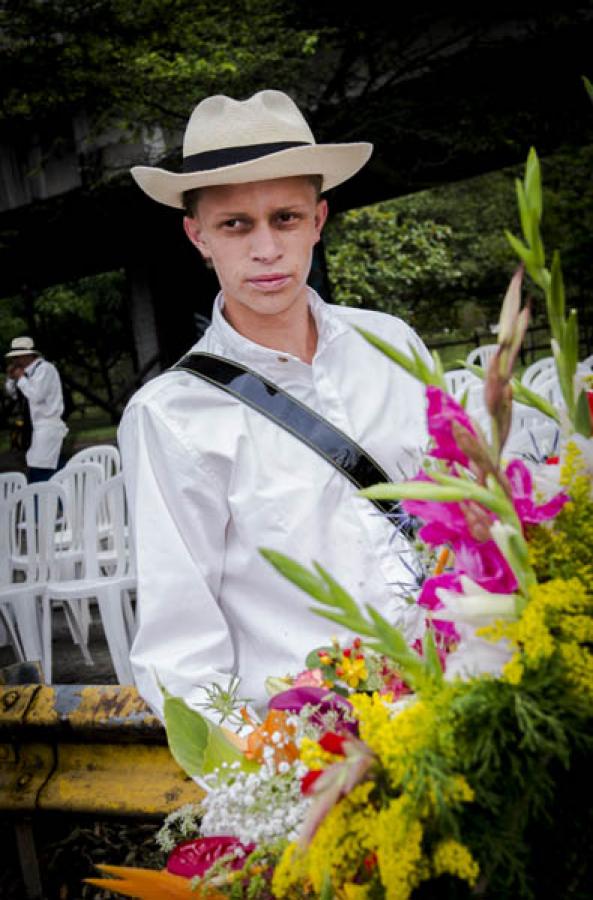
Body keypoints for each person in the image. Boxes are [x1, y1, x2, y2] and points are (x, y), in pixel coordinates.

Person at [119, 89, 431, 722]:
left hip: (461, 705)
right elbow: (181, 654)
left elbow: (468, 514)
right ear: (197, 235)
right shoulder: (169, 416)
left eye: (285, 218)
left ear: (318, 220)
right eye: (235, 224)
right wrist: (272, 781)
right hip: (318, 750)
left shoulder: (392, 343)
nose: (265, 249)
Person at [4, 336, 68, 482]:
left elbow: (36, 395)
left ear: (27, 355)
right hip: (33, 428)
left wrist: (21, 379)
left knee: (41, 468)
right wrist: (11, 379)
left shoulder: (45, 369)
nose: (15, 362)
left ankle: (49, 500)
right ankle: (63, 497)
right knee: (45, 466)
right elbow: (13, 394)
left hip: (47, 426)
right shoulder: (26, 374)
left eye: (17, 357)